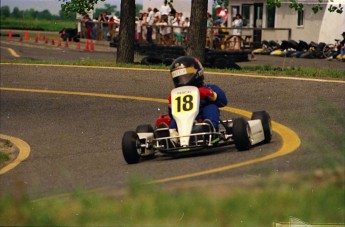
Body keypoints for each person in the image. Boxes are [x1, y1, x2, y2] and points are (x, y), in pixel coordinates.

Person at [167, 56, 228, 132]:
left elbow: (223, 101)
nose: (182, 81)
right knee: (175, 119)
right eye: (179, 79)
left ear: (198, 73)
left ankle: (211, 129)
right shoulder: (177, 93)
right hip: (184, 118)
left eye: (185, 77)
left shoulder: (208, 88)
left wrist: (212, 95)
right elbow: (172, 115)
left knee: (211, 108)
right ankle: (171, 133)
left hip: (202, 116)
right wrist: (171, 107)